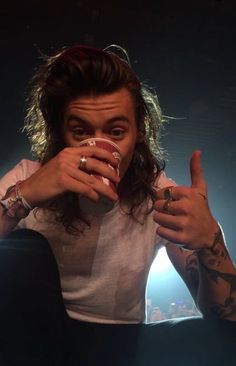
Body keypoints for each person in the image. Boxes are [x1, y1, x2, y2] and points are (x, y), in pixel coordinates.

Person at [0, 44, 235, 366]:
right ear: (59, 131)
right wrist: (23, 197)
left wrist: (211, 241)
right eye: (80, 131)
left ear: (139, 131)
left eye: (116, 131)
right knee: (26, 247)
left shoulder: (160, 196)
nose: (98, 147)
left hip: (121, 345)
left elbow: (224, 316)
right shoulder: (28, 178)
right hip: (35, 339)